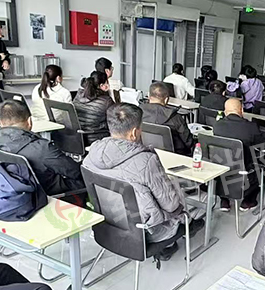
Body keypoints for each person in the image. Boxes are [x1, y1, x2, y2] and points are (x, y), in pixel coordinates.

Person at [83, 103, 203, 245]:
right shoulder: (146, 161)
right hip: (145, 232)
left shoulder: (90, 157)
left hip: (108, 225)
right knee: (192, 201)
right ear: (134, 133)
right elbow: (171, 206)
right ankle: (171, 244)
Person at [0, 99, 85, 196]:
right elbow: (76, 172)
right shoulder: (42, 148)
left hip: (16, 191)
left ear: (0, 123)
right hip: (49, 194)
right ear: (30, 121)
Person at [213, 99, 265, 212]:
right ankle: (248, 201)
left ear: (225, 112)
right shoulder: (250, 127)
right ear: (242, 110)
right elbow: (263, 145)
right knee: (264, 169)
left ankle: (224, 201)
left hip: (221, 171)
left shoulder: (217, 125)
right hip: (244, 173)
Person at [140, 82, 195, 156]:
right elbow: (188, 142)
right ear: (166, 99)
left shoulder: (138, 113)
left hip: (146, 153)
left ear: (149, 96)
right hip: (173, 157)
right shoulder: (175, 118)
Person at [73, 72, 113, 145]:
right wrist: (108, 93)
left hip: (78, 138)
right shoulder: (106, 101)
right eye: (107, 83)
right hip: (96, 138)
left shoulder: (78, 96)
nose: (108, 85)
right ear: (101, 85)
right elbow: (114, 119)